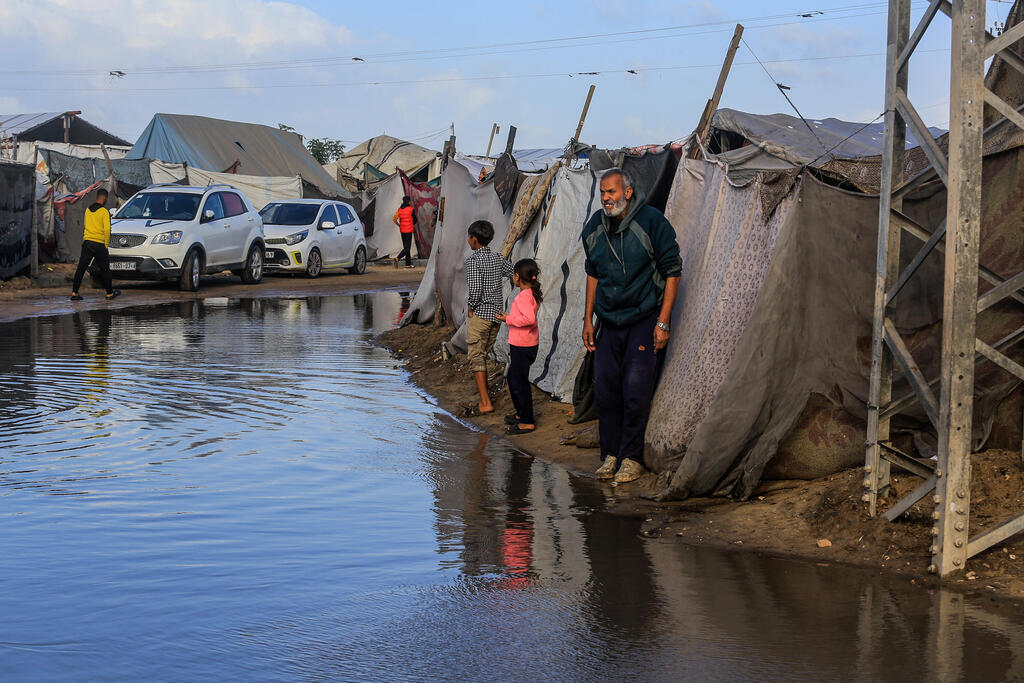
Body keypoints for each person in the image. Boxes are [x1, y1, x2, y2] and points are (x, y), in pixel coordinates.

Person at [581, 167, 681, 484]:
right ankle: (611, 454)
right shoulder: (595, 227)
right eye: (602, 193)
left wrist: (663, 322)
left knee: (635, 389)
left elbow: (673, 272)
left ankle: (632, 458)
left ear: (627, 192)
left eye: (611, 192)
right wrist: (588, 319)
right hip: (609, 321)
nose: (606, 198)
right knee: (607, 390)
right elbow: (593, 272)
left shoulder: (652, 222)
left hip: (644, 316)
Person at [464, 219, 513, 416]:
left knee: (476, 356)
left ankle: (485, 402)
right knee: (484, 354)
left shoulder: (473, 260)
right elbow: (513, 272)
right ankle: (485, 398)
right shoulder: (497, 258)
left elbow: (475, 289)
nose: (468, 240)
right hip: (496, 317)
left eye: (469, 237)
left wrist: (470, 306)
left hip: (481, 315)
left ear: (474, 240)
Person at [496, 258, 542, 435]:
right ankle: (520, 414)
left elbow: (529, 319)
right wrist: (509, 316)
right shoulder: (530, 293)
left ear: (517, 276)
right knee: (515, 379)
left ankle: (526, 421)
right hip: (527, 344)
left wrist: (508, 319)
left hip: (522, 345)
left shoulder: (523, 296)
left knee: (518, 382)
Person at [70, 188, 120, 301]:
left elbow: (86, 225)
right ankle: (109, 294)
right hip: (99, 243)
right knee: (105, 269)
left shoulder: (88, 210)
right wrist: (106, 245)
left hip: (87, 243)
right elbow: (107, 230)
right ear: (105, 198)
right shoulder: (104, 212)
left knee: (81, 268)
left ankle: (74, 293)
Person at [392, 195, 417, 268]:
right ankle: (397, 258)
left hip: (402, 230)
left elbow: (394, 219)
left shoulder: (399, 209)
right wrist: (412, 224)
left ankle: (408, 264)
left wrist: (399, 225)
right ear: (408, 201)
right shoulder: (411, 209)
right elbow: (415, 219)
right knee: (407, 248)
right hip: (409, 230)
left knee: (406, 247)